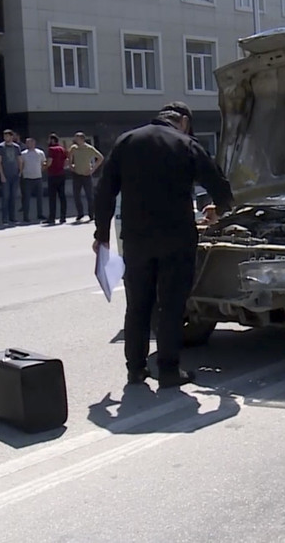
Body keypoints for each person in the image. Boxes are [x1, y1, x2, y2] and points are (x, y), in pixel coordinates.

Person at [94, 101, 233, 388]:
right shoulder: (186, 144)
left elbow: (104, 191)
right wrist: (218, 210)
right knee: (170, 305)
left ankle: (135, 369)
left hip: (136, 240)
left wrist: (101, 235)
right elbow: (220, 186)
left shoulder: (126, 141)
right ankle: (169, 370)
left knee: (138, 305)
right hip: (176, 240)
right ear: (184, 122)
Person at [69, 132, 104, 222]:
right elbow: (70, 156)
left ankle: (91, 214)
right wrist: (71, 165)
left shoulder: (89, 148)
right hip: (77, 174)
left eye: (77, 139)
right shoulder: (74, 148)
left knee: (89, 196)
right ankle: (80, 213)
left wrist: (93, 169)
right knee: (76, 195)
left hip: (86, 175)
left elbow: (100, 158)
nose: (76, 140)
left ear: (82, 139)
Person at [0, 129, 21, 225]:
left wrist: (20, 171)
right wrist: (1, 174)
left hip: (15, 174)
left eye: (7, 136)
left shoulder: (16, 147)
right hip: (6, 174)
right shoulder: (0, 147)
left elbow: (19, 160)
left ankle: (12, 217)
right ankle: (4, 218)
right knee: (6, 196)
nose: (6, 138)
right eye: (4, 136)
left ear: (11, 137)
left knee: (13, 197)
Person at [44, 133, 69, 224]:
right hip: (61, 174)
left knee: (52, 197)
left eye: (49, 139)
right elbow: (66, 161)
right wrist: (61, 167)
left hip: (53, 175)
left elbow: (49, 162)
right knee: (62, 196)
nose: (48, 141)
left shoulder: (51, 149)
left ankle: (52, 217)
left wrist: (44, 166)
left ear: (52, 140)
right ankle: (63, 217)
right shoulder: (62, 149)